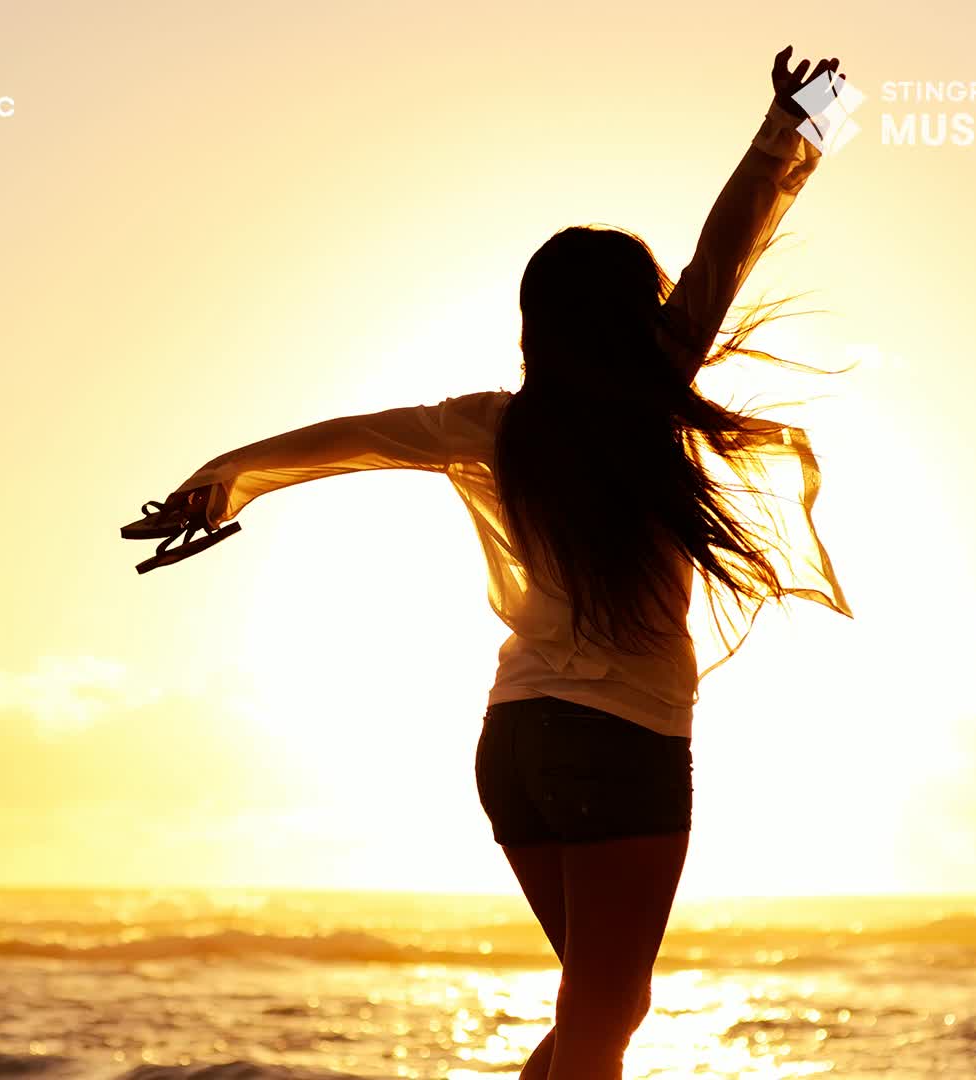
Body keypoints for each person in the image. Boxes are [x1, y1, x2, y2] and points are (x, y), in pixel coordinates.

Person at [138, 47, 853, 1080]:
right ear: (635, 314)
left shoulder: (490, 427)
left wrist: (222, 481)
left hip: (514, 745)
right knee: (606, 1019)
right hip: (623, 742)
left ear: (538, 327)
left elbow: (346, 438)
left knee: (595, 1014)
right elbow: (732, 242)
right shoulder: (654, 384)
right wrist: (807, 115)